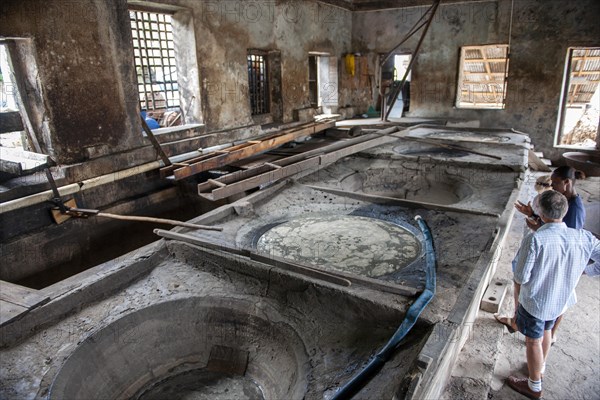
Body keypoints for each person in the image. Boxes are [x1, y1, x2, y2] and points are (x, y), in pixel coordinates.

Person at [505, 190, 600, 399]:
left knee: (533, 341)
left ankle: (534, 386)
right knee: (546, 331)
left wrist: (517, 304)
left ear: (540, 213)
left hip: (536, 302)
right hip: (561, 301)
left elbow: (520, 277)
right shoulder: (583, 237)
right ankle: (540, 368)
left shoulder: (535, 240)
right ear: (564, 212)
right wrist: (585, 270)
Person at [496, 167, 586, 334]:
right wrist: (533, 215)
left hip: (555, 262)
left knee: (555, 295)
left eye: (556, 183)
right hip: (550, 258)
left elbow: (562, 241)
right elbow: (553, 224)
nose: (552, 186)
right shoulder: (564, 201)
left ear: (566, 183)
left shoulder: (574, 209)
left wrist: (537, 228)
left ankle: (546, 334)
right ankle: (522, 322)